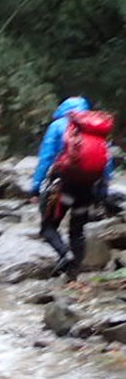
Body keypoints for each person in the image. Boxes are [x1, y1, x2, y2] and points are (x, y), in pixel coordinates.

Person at [30, 95, 113, 280]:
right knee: (77, 230)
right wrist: (104, 188)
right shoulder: (95, 128)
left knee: (48, 228)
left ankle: (65, 255)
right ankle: (73, 273)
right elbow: (106, 160)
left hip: (63, 187)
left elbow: (46, 158)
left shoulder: (58, 126)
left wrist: (35, 187)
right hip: (87, 189)